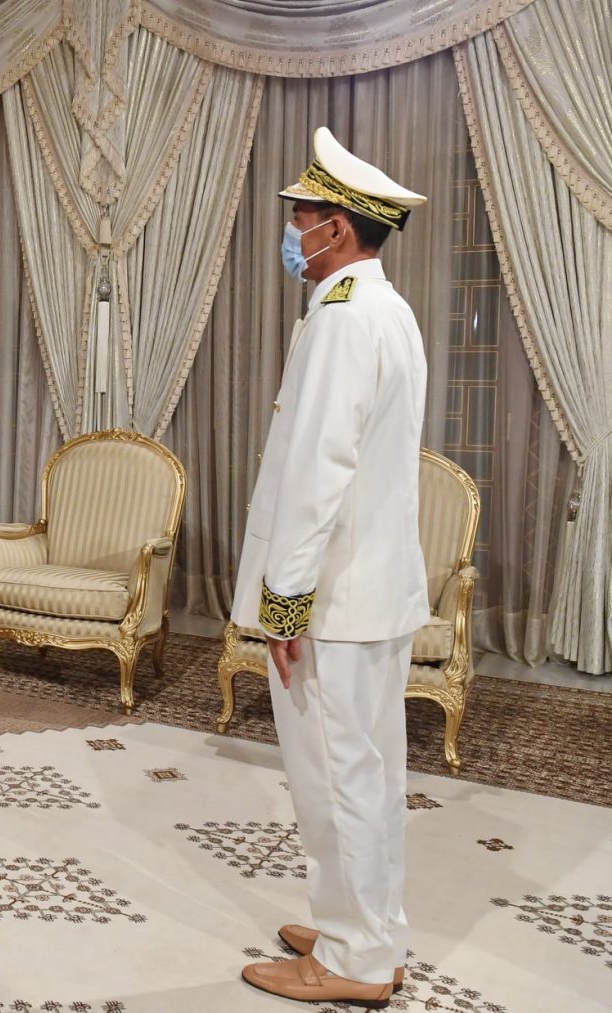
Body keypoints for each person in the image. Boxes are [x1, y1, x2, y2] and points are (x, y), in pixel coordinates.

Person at [234, 128, 429, 1007]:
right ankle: (367, 928)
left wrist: (285, 603)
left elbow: (319, 471)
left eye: (301, 217)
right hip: (370, 591)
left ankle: (353, 961)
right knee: (367, 774)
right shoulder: (385, 309)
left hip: (333, 599)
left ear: (338, 229)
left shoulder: (343, 320)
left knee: (337, 775)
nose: (293, 232)